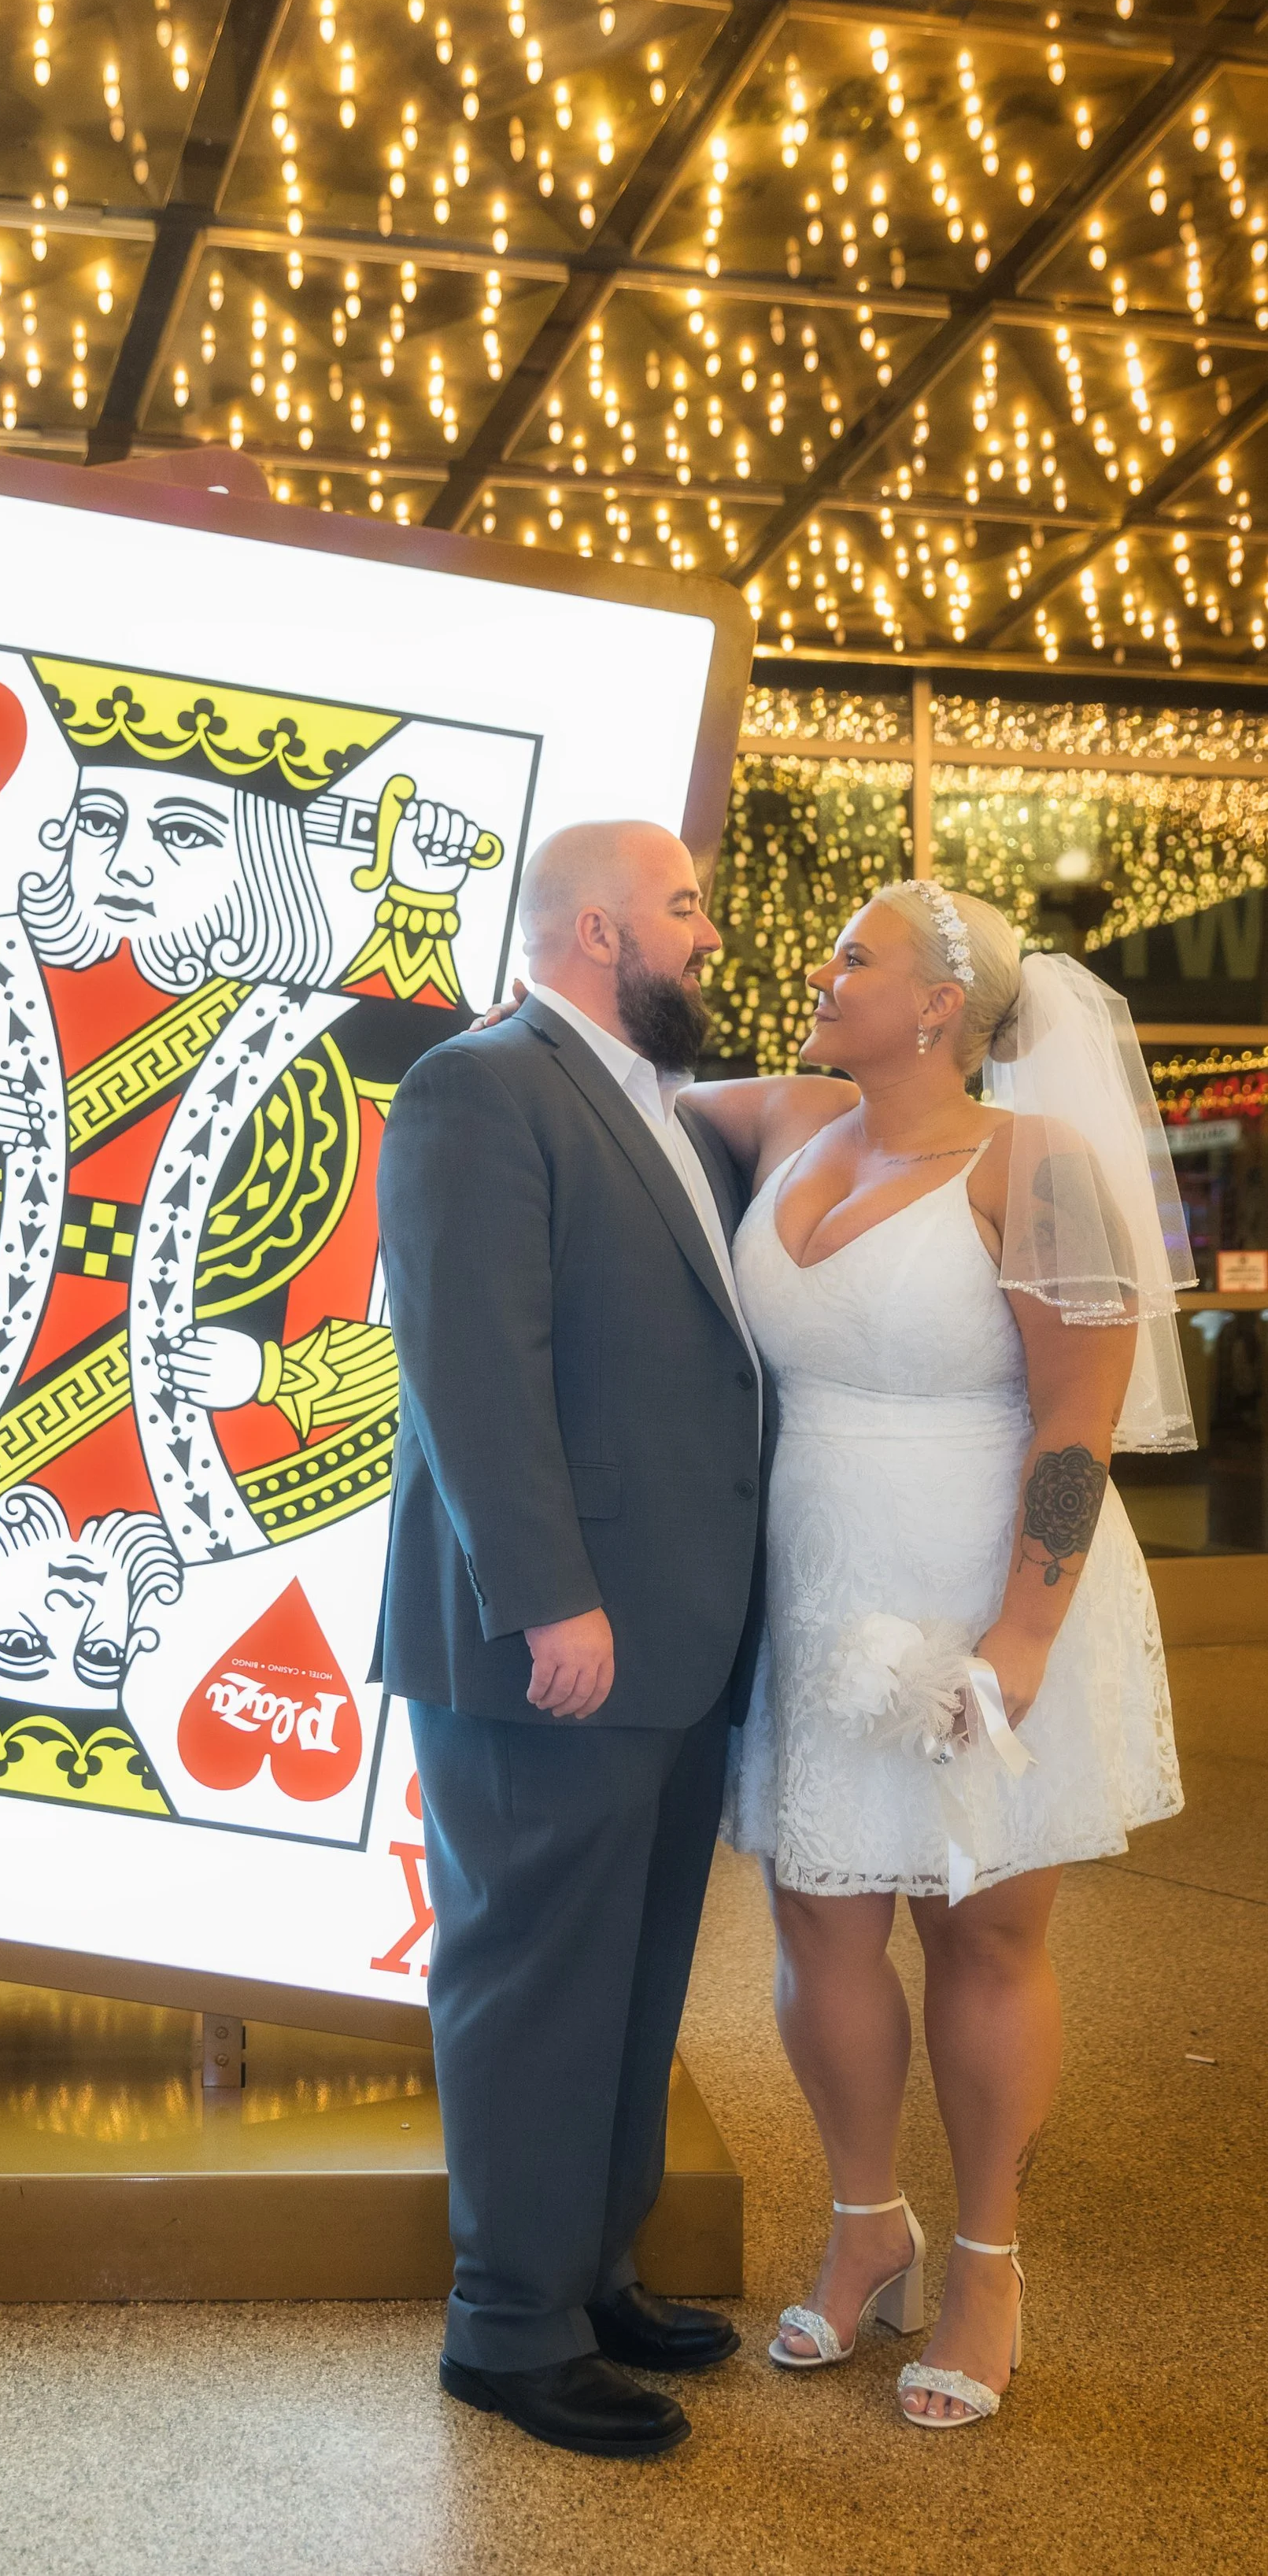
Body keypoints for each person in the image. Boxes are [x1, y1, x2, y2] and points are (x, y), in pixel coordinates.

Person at [682, 881, 1188, 2428]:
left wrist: (1019, 1630)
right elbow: (601, 1078)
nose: (817, 971)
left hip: (980, 1574)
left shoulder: (1037, 1167)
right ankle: (862, 2228)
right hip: (811, 1583)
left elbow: (1073, 1420)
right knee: (817, 1925)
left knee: (979, 1935)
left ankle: (983, 2262)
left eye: (854, 957)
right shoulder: (780, 1126)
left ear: (935, 1011)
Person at [374, 820, 767, 2460]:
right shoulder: (478, 1086)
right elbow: (470, 1363)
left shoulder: (655, 1105)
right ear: (598, 928)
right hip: (558, 1641)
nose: (704, 936)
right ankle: (506, 2328)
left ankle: (588, 2272)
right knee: (532, 1983)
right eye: (682, 909)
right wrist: (549, 1596)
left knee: (622, 1980)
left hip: (667, 1638)